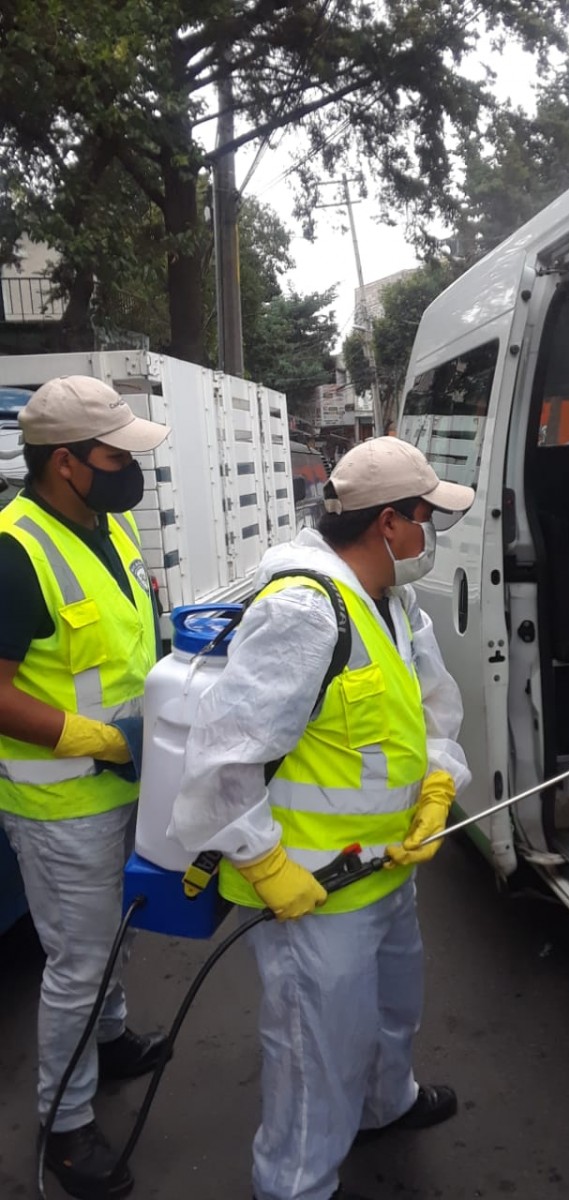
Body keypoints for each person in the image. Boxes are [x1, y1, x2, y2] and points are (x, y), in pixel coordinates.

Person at [170, 436, 475, 1200]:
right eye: (426, 518)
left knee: (394, 1008)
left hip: (385, 871)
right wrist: (265, 864)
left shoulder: (392, 604)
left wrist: (437, 785)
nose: (430, 534)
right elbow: (223, 758)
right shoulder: (304, 611)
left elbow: (431, 710)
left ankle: (384, 1105)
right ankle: (293, 1184)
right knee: (316, 1055)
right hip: (311, 894)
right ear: (389, 525)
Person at [0, 376, 171, 1200]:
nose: (130, 467)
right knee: (77, 961)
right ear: (65, 463)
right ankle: (65, 1126)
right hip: (63, 799)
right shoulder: (14, 550)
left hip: (131, 782)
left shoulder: (112, 522)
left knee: (117, 936)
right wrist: (99, 740)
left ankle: (111, 1041)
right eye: (116, 455)